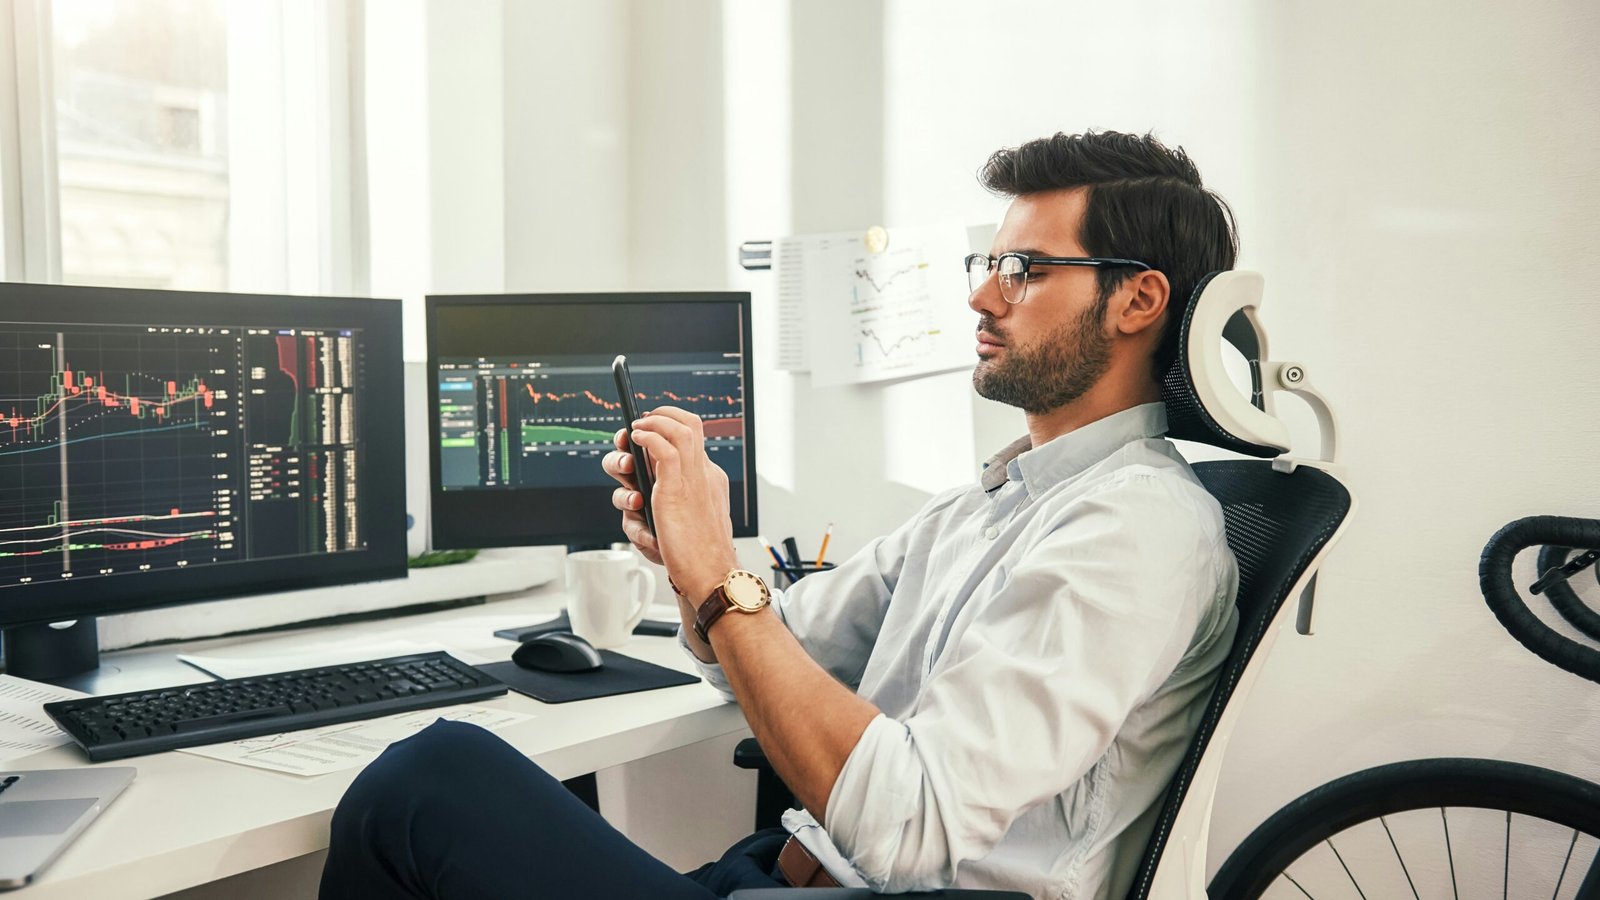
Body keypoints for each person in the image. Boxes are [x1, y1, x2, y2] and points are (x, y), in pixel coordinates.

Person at [318, 130, 1241, 900]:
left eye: (1024, 268)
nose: (981, 293)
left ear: (1139, 299)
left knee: (428, 782)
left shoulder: (1136, 530)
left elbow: (908, 824)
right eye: (987, 262)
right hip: (773, 878)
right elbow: (778, 642)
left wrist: (721, 572)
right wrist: (693, 572)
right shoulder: (990, 504)